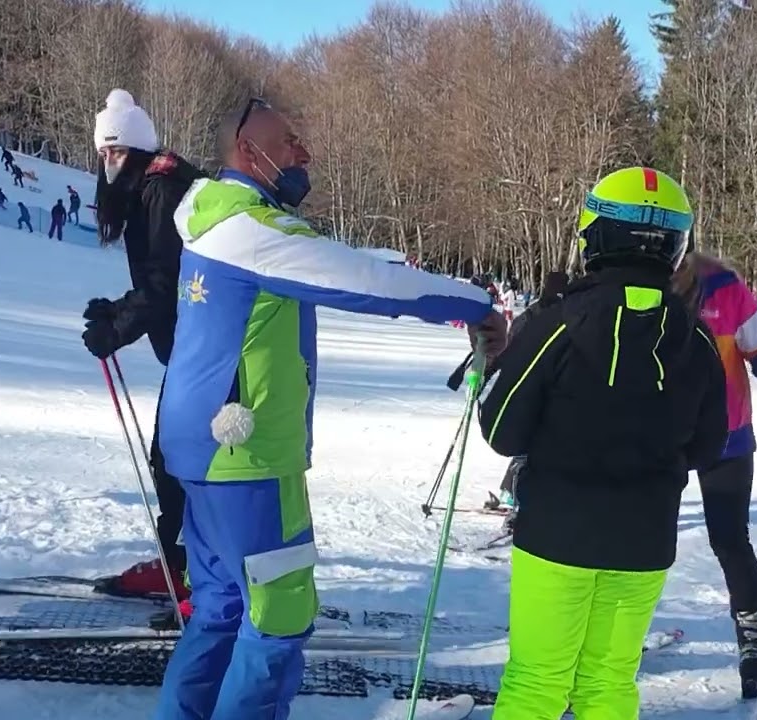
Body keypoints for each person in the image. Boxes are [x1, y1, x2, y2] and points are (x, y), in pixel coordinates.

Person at [152, 96, 507, 720]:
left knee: (221, 609)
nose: (301, 154)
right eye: (286, 142)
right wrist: (475, 302)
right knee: (279, 616)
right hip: (248, 454)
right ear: (246, 151)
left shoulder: (212, 220)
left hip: (198, 445)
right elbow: (372, 281)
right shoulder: (253, 230)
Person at [478, 166, 728, 720]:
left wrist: (497, 368)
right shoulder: (697, 336)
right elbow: (711, 444)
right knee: (608, 684)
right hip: (643, 537)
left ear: (596, 234)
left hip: (558, 535)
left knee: (538, 682)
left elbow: (501, 430)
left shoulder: (558, 322)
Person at [83, 89, 207, 614]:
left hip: (206, 352)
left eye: (116, 153)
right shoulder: (151, 185)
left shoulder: (161, 189)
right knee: (173, 458)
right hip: (192, 348)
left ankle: (197, 574)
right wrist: (115, 311)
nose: (109, 164)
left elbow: (164, 282)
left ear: (134, 150)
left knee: (183, 460)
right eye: (104, 154)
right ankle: (180, 563)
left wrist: (119, 327)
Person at [671, 250, 757, 697]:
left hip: (726, 433)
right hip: (663, 436)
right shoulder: (643, 284)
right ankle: (613, 635)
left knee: (729, 538)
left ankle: (755, 635)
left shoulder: (725, 287)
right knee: (642, 540)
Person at [484, 270, 570, 516]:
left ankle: (513, 496)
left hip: (543, 388)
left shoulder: (554, 314)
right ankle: (513, 499)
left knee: (532, 449)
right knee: (527, 448)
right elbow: (511, 344)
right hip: (528, 385)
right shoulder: (545, 315)